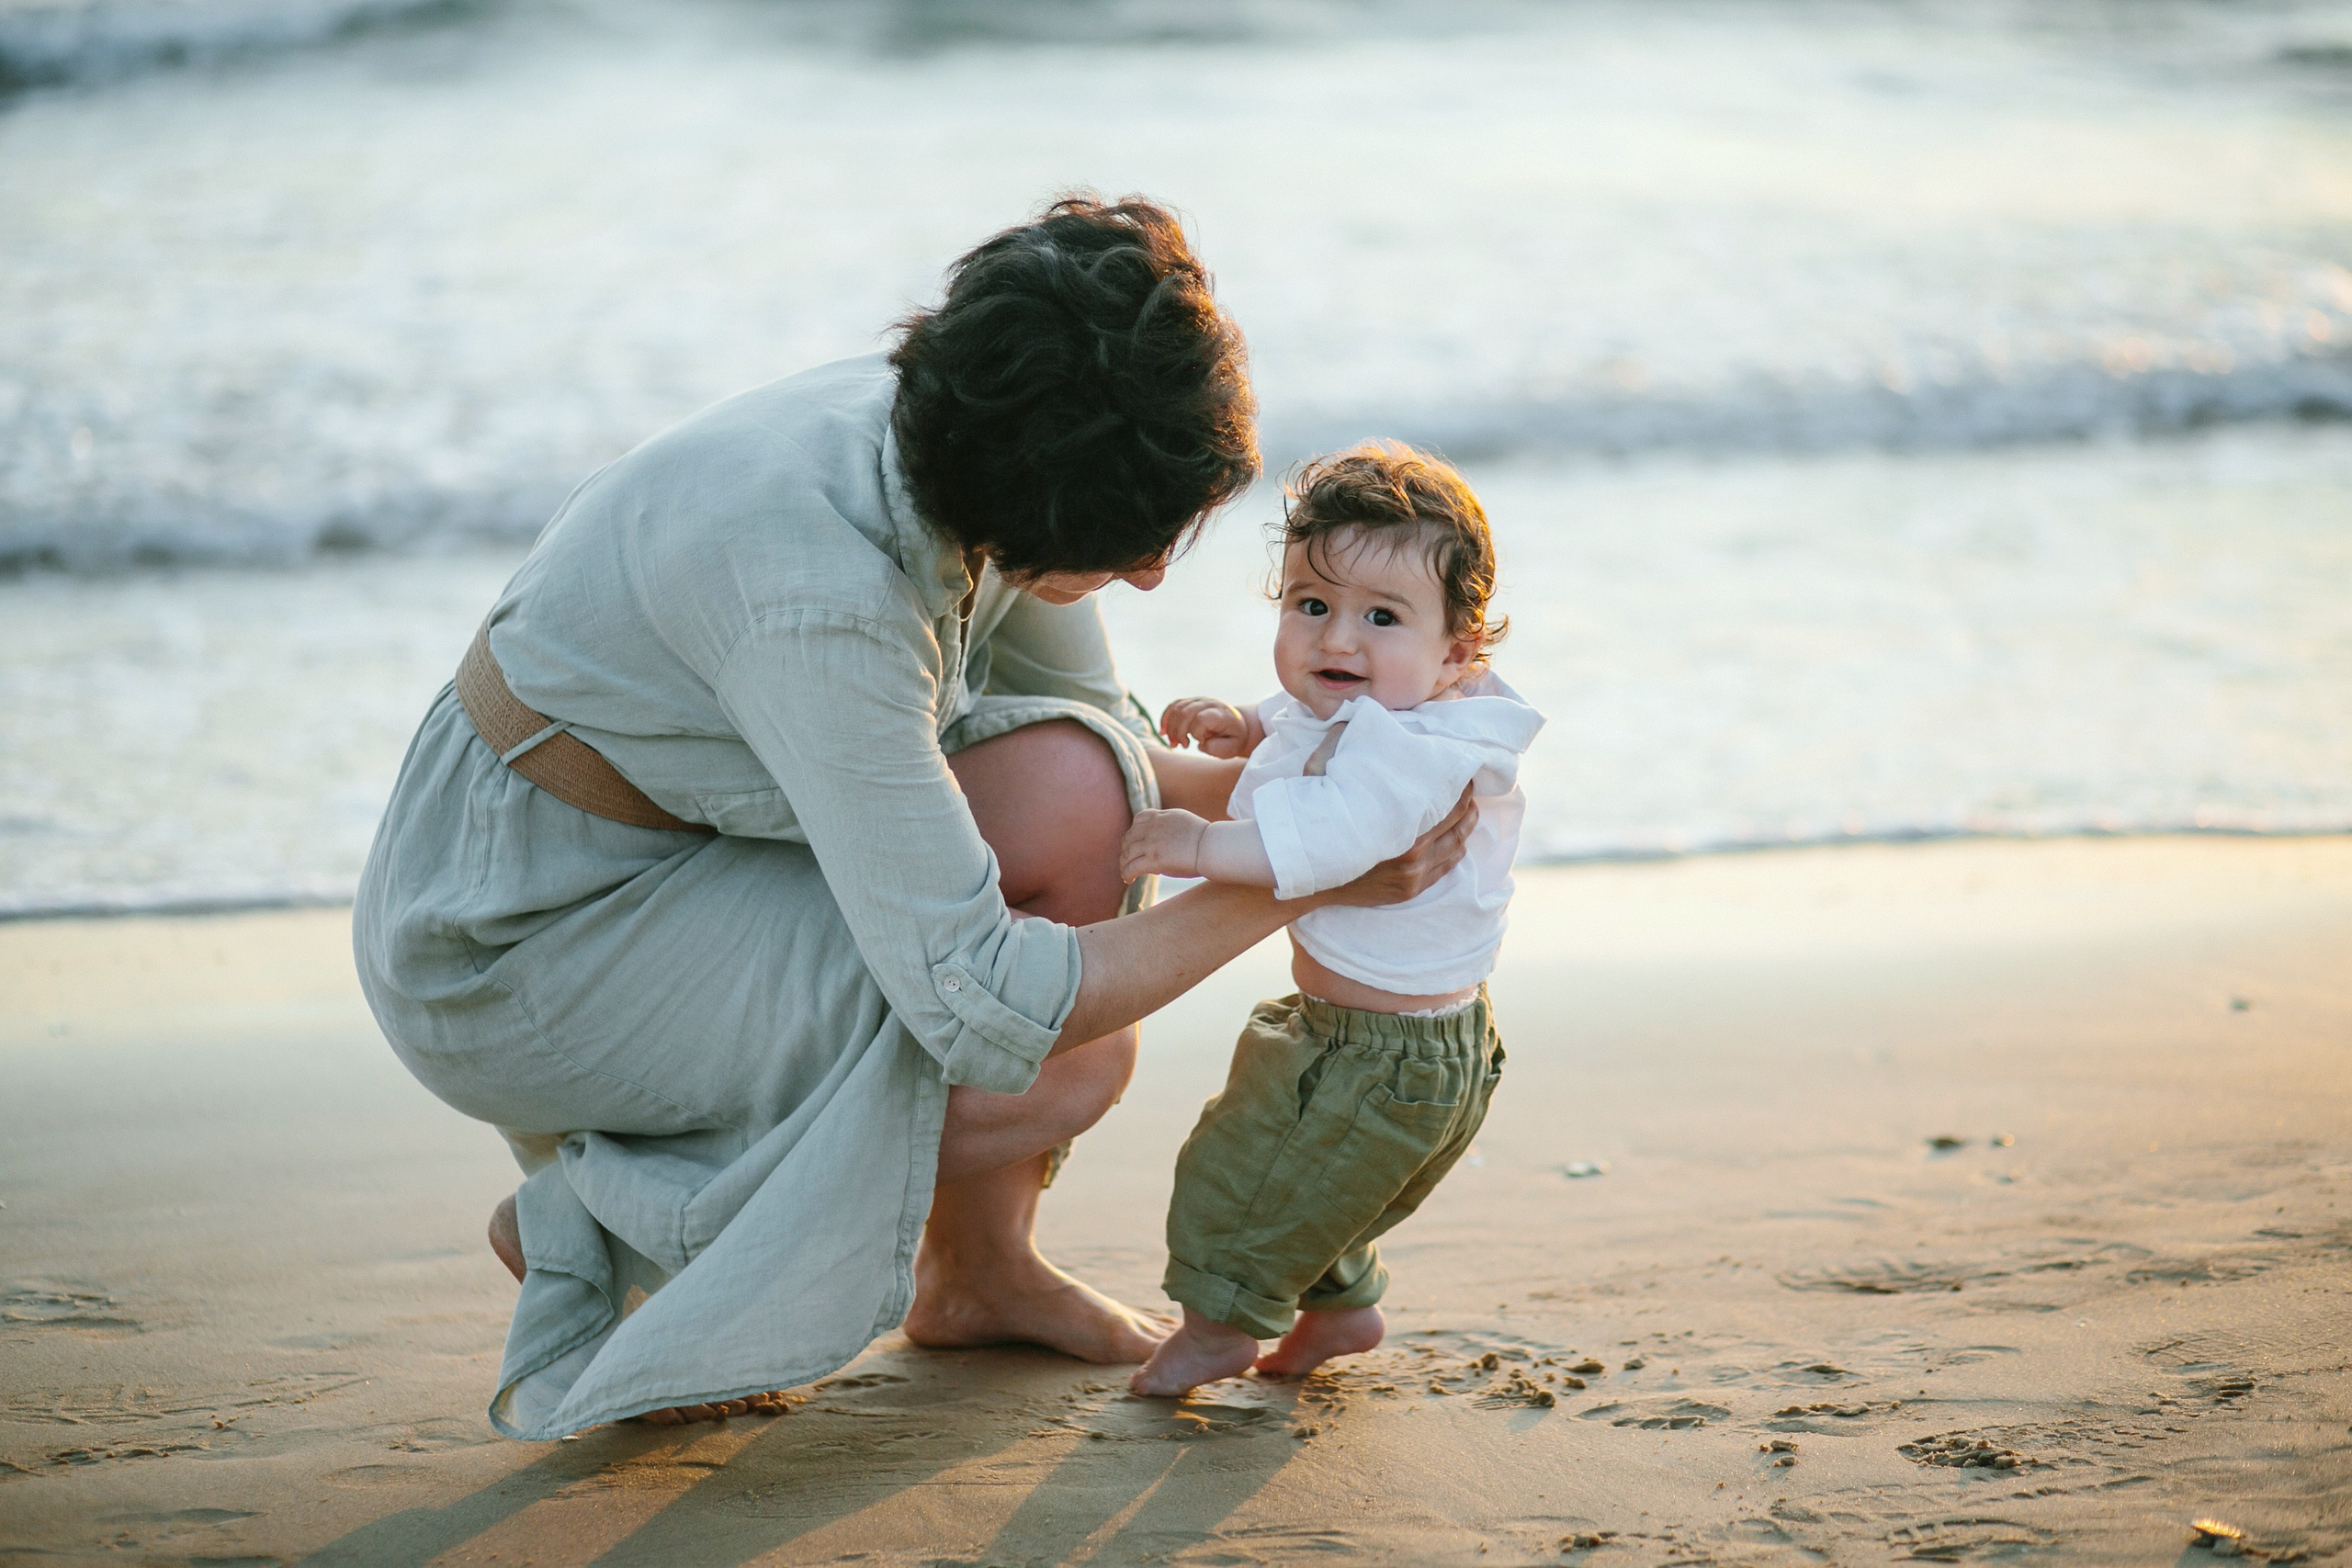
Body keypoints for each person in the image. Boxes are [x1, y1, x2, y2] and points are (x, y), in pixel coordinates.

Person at [352, 197, 1477, 1439]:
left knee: (1077, 788)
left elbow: (1094, 733)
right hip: (515, 935)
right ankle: (614, 1223)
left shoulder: (969, 426)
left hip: (686, 838)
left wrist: (1326, 792)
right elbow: (983, 997)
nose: (1154, 570)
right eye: (1143, 538)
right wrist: (1308, 880)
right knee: (1065, 1055)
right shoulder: (822, 598)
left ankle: (978, 1272)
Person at [1114, 443, 1544, 1396]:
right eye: (1311, 606)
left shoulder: (1413, 754)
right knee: (1311, 1180)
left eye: (1379, 618)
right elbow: (1318, 722)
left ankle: (1219, 1327)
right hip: (1395, 1043)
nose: (1335, 641)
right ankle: (1340, 1308)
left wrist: (1195, 846)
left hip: (1382, 1055)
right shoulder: (1400, 701)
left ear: (1456, 652)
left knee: (1241, 1171)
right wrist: (1251, 727)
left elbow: (1322, 840)